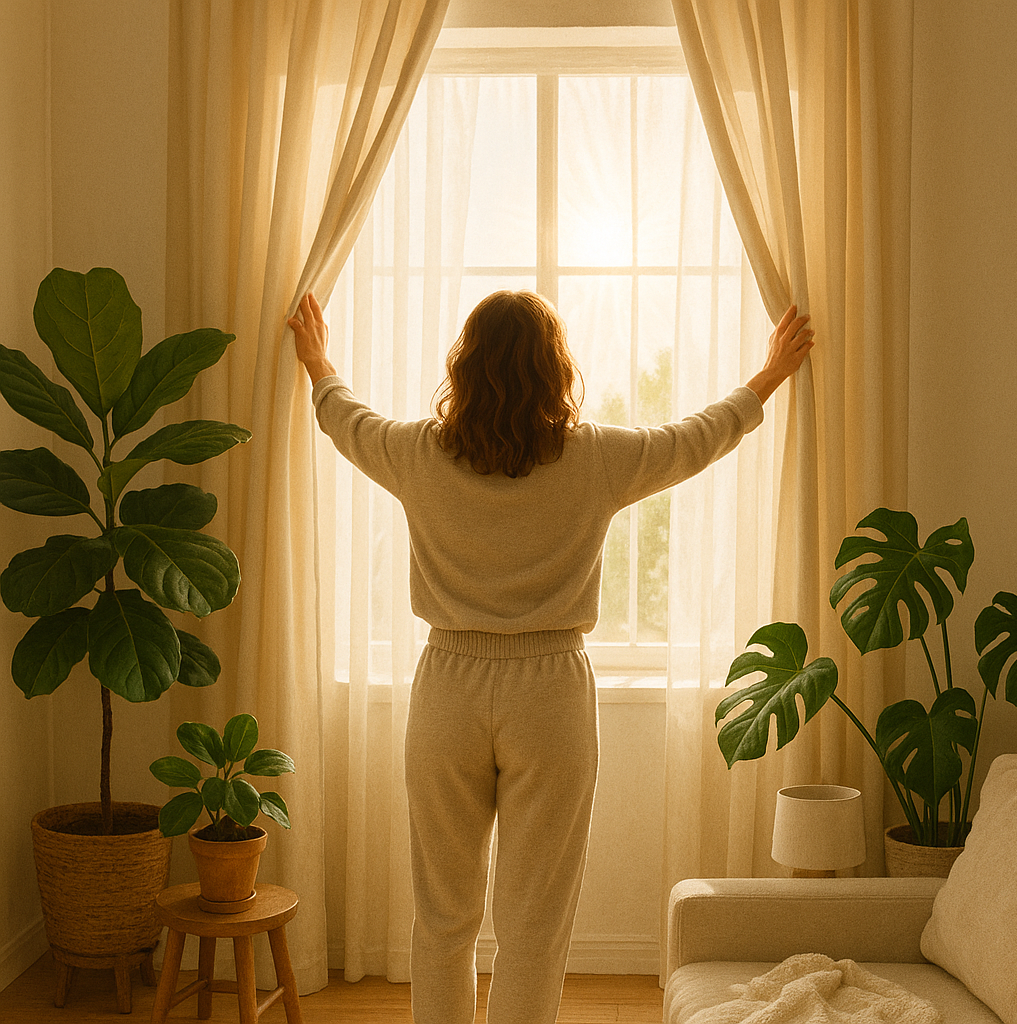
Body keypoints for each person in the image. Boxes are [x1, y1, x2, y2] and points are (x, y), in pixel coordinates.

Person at [289, 289, 813, 1024]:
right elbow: (695, 438)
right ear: (554, 369)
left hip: (446, 686)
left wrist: (317, 360)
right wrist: (769, 375)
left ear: (464, 367)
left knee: (442, 917)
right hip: (552, 693)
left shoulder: (416, 454)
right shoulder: (595, 457)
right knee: (534, 923)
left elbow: (346, 419)